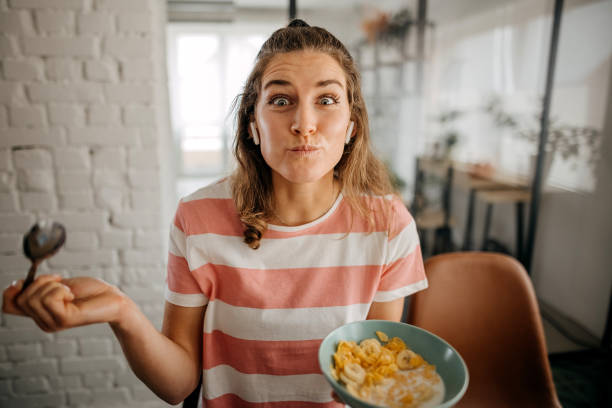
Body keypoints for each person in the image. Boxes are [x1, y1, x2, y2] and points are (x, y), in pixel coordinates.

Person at [2, 19, 427, 407]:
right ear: (252, 125)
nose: (304, 123)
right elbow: (178, 386)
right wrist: (121, 311)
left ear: (352, 124)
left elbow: (372, 379)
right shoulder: (198, 217)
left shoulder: (387, 225)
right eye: (280, 100)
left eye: (327, 99)